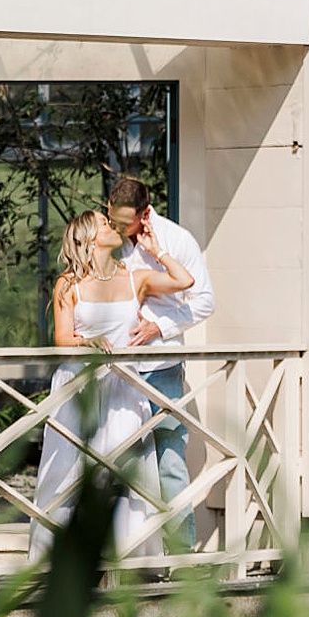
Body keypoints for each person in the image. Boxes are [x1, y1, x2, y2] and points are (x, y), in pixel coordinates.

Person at [28, 209, 195, 561]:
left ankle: (130, 559)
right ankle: (55, 560)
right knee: (65, 473)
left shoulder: (135, 278)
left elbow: (184, 281)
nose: (112, 225)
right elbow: (61, 338)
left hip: (124, 389)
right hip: (79, 388)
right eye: (104, 223)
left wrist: (155, 250)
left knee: (127, 475)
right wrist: (88, 342)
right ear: (89, 237)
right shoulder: (68, 284)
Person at [107, 175, 214, 552]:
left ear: (145, 214)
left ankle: (181, 555)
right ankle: (127, 553)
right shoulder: (107, 239)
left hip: (161, 366)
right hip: (118, 369)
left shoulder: (176, 240)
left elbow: (204, 301)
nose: (118, 229)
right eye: (112, 220)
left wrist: (160, 327)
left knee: (169, 461)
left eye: (125, 223)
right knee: (121, 463)